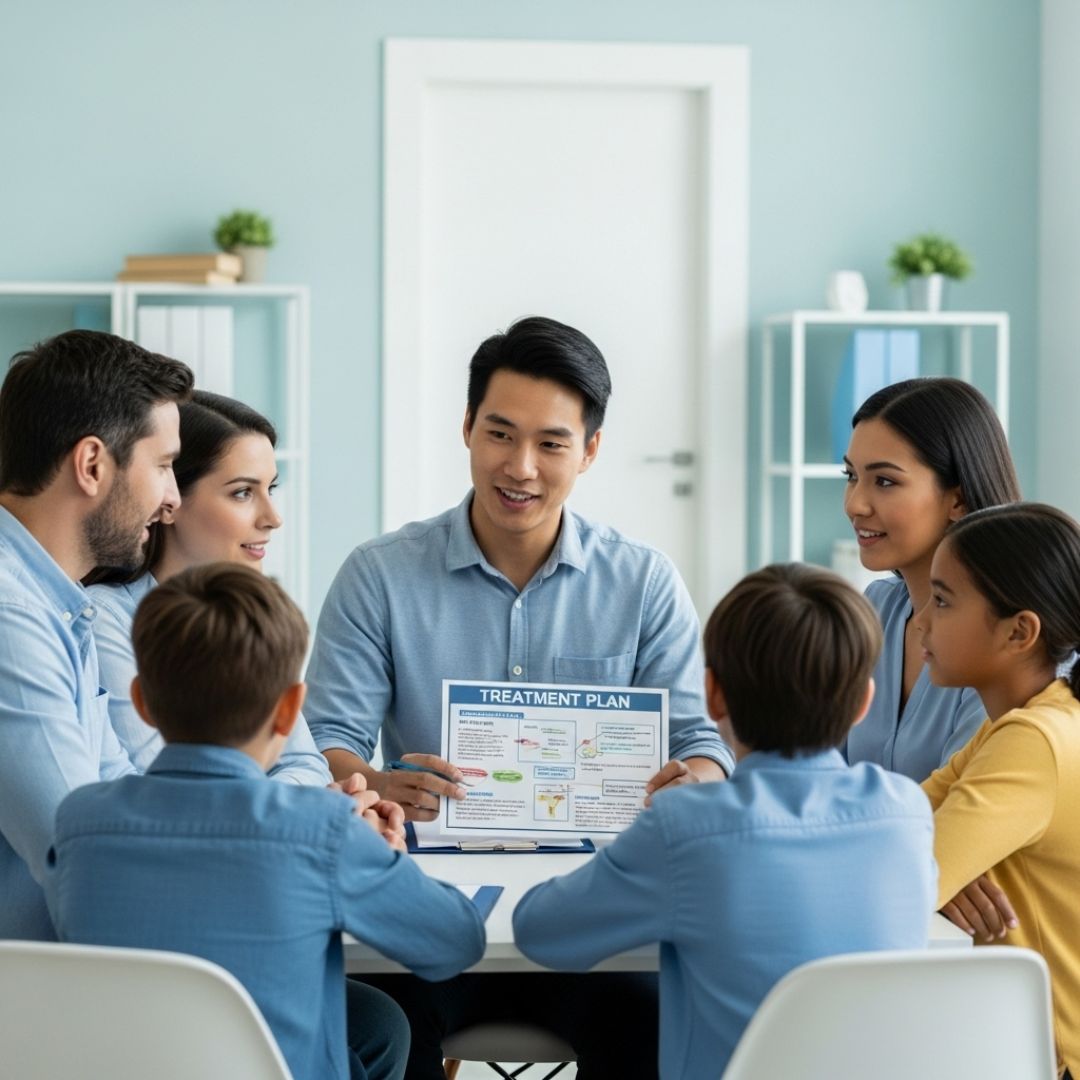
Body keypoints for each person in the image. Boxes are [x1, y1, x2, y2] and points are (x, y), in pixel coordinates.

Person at [307, 315, 732, 1077]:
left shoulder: (643, 581)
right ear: (467, 428)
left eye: (552, 443)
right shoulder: (379, 575)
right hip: (424, 925)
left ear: (590, 450)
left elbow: (702, 746)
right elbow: (325, 739)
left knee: (663, 1020)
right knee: (368, 1023)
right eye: (500, 434)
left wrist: (689, 784)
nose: (522, 467)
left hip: (597, 926)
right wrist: (371, 780)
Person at [45, 563, 487, 1080]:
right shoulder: (324, 830)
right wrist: (386, 861)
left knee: (378, 1025)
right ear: (288, 711)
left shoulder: (79, 821)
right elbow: (456, 941)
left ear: (141, 701)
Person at [512, 563, 936, 1078]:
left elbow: (538, 932)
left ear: (713, 695)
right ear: (863, 703)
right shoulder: (907, 812)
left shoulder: (685, 828)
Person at [0, 329, 192, 940]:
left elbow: (125, 799)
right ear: (91, 465)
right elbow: (87, 857)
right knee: (365, 1025)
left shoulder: (58, 603)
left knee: (371, 1019)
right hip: (48, 992)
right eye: (163, 466)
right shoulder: (10, 616)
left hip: (75, 967)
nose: (172, 500)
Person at [86, 390, 330, 784]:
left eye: (272, 489)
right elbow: (169, 783)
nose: (272, 518)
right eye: (242, 493)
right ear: (169, 499)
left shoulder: (250, 617)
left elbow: (307, 765)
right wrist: (300, 809)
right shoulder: (104, 619)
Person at [916, 503, 1080, 1077]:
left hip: (1048, 1060)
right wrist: (939, 875)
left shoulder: (1034, 739)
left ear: (1019, 631)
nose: (921, 622)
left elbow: (903, 880)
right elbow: (907, 821)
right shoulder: (1021, 719)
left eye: (942, 600)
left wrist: (934, 875)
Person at [842, 377, 1021, 781]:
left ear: (957, 499)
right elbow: (817, 765)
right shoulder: (876, 607)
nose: (855, 504)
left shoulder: (1006, 638)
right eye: (851, 475)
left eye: (884, 481)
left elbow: (964, 805)